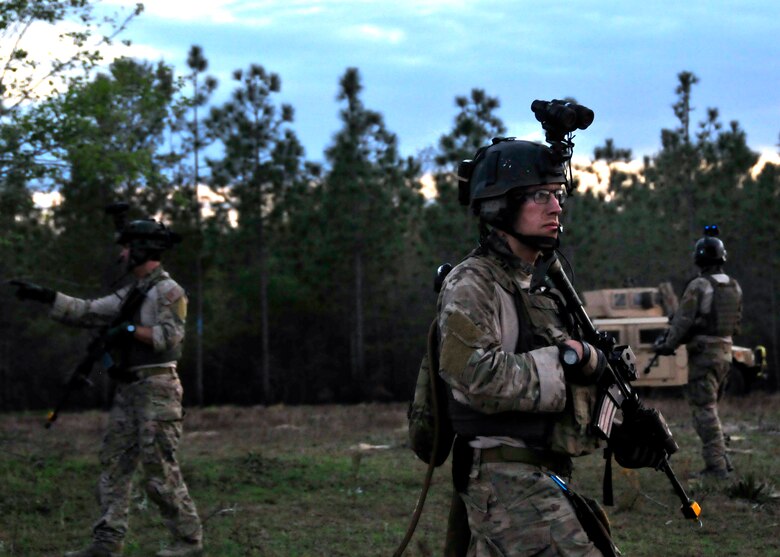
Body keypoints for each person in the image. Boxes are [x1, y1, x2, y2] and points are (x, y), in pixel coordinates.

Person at [437, 136, 614, 556]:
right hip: (505, 478)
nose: (556, 207)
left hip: (541, 475)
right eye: (540, 196)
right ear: (500, 205)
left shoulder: (537, 289)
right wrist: (566, 360)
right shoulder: (472, 283)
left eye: (558, 195)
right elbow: (474, 376)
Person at [10, 218, 203, 557]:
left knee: (159, 469)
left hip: (157, 388)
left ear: (141, 249)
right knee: (113, 465)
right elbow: (87, 311)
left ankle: (188, 542)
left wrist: (127, 330)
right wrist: (45, 296)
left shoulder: (168, 291)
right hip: (129, 390)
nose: (122, 254)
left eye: (126, 247)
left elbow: (168, 337)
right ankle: (107, 542)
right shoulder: (133, 293)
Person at [653, 226, 742, 479]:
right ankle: (723, 460)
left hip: (704, 355)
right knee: (711, 409)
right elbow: (736, 323)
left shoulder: (699, 285)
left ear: (699, 260)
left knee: (704, 410)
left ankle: (716, 467)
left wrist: (668, 345)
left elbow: (683, 321)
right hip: (726, 353)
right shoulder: (734, 286)